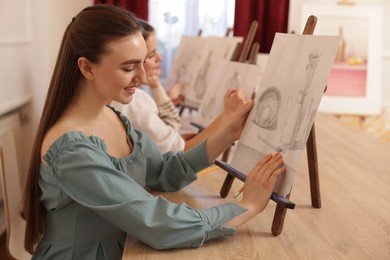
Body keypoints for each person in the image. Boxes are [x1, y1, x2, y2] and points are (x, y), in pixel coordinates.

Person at [23, 5, 285, 259]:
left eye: (142, 63)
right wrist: (246, 205)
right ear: (87, 67)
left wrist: (227, 134)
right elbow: (158, 224)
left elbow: (163, 171)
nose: (143, 78)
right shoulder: (72, 151)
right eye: (128, 68)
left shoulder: (113, 117)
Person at [111, 20, 247, 153]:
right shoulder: (131, 101)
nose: (160, 58)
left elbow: (168, 138)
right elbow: (180, 154)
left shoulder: (126, 98)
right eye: (151, 55)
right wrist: (227, 115)